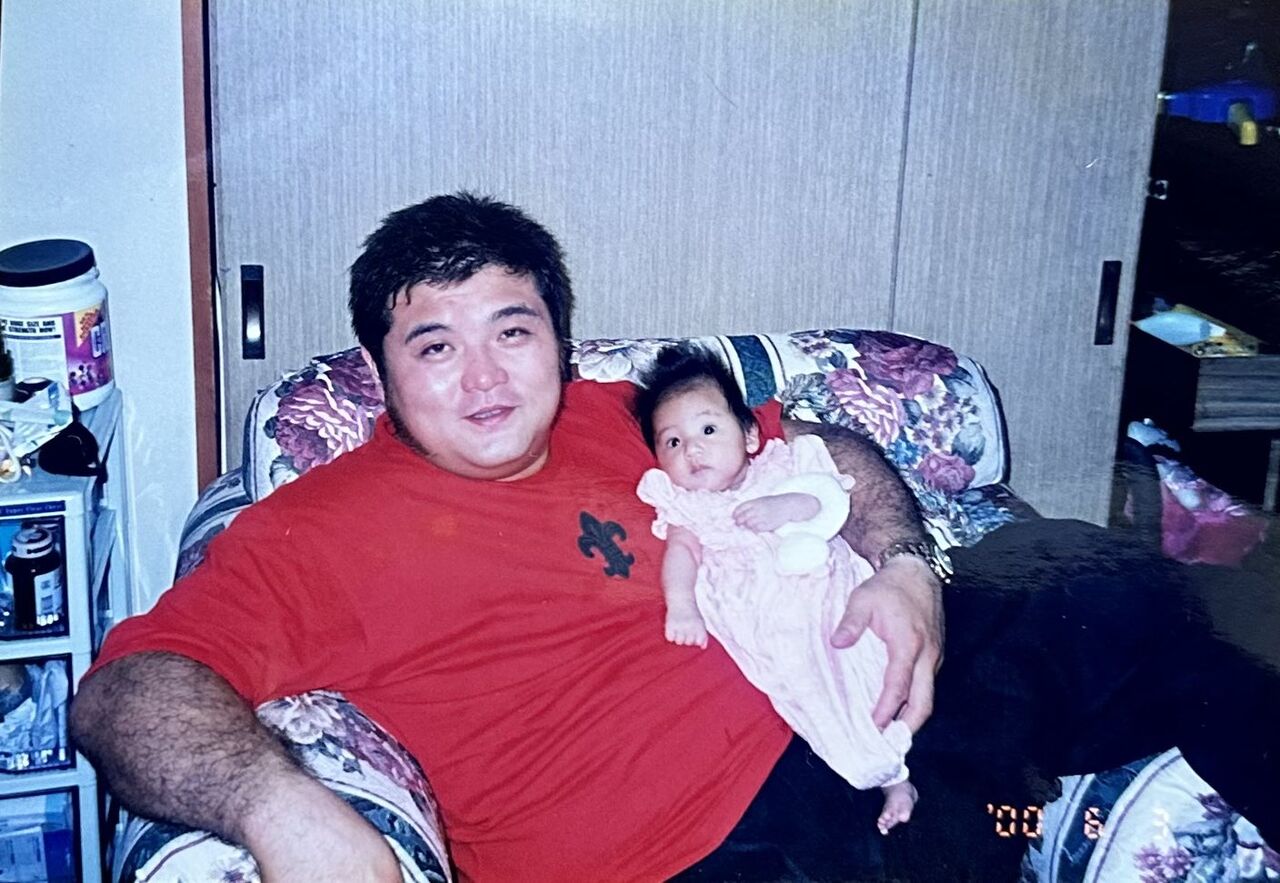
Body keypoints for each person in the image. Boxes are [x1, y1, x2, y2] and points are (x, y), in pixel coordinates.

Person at [68, 192, 1277, 883]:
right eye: (435, 346)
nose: (483, 378)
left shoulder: (618, 416)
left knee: (1113, 581)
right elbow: (124, 692)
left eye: (512, 331)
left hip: (847, 708)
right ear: (380, 371)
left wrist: (904, 566)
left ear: (559, 339)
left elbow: (820, 445)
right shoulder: (316, 529)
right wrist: (272, 802)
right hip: (690, 853)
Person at [633, 342, 917, 835]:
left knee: (870, 671)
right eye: (672, 442)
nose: (692, 450)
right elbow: (681, 555)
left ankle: (899, 771)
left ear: (748, 435)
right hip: (767, 623)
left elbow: (830, 500)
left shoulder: (781, 468)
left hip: (827, 595)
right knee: (810, 698)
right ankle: (876, 773)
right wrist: (682, 607)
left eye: (707, 430)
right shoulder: (687, 507)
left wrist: (788, 506)